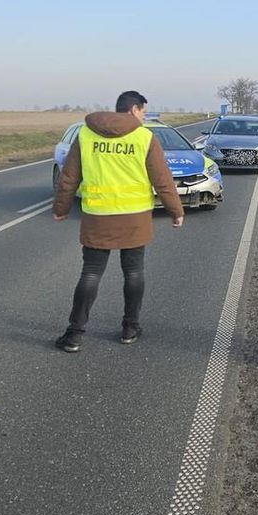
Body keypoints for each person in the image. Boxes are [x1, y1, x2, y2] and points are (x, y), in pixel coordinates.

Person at [52, 90, 184, 353]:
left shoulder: (86, 134)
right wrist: (175, 210)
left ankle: (74, 334)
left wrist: (61, 208)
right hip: (134, 218)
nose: (144, 117)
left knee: (90, 273)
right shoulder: (144, 137)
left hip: (97, 217)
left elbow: (68, 177)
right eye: (144, 112)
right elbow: (162, 179)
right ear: (134, 109)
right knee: (133, 272)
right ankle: (130, 328)